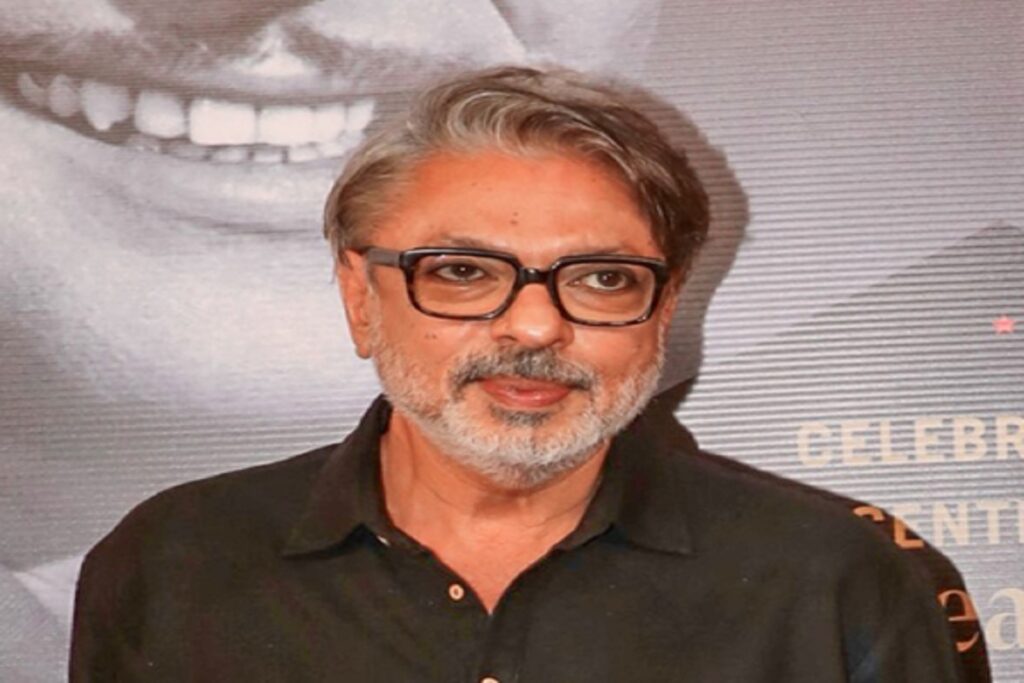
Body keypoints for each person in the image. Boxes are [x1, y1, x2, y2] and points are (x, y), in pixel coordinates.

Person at [70, 66, 963, 681]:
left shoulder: (834, 580)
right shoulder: (176, 564)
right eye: (463, 271)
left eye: (603, 278)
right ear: (359, 296)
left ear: (664, 308)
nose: (535, 325)